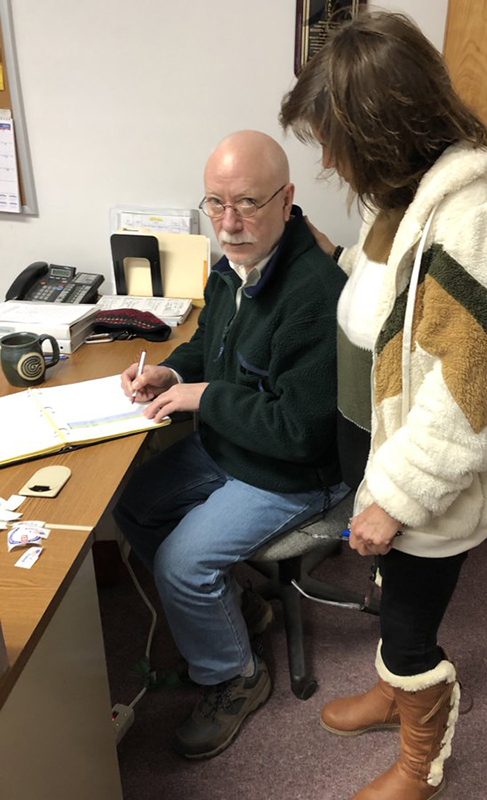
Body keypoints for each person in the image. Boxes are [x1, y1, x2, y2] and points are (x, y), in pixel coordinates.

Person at [280, 11, 487, 800]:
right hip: (380, 441)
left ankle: (420, 752)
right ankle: (395, 690)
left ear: (384, 130)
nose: (327, 158)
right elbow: (393, 299)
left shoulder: (479, 218)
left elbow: (473, 396)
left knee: (409, 624)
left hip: (425, 471)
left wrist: (394, 496)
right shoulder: (405, 191)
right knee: (391, 592)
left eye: (335, 140)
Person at [113, 130, 347, 760]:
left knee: (181, 565)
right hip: (230, 445)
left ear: (287, 199)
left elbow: (301, 433)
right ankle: (234, 608)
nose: (229, 221)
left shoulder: (313, 293)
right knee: (133, 506)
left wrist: (205, 399)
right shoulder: (234, 265)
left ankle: (236, 679)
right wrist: (174, 374)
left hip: (291, 471)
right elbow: (209, 348)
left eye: (245, 202)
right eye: (214, 204)